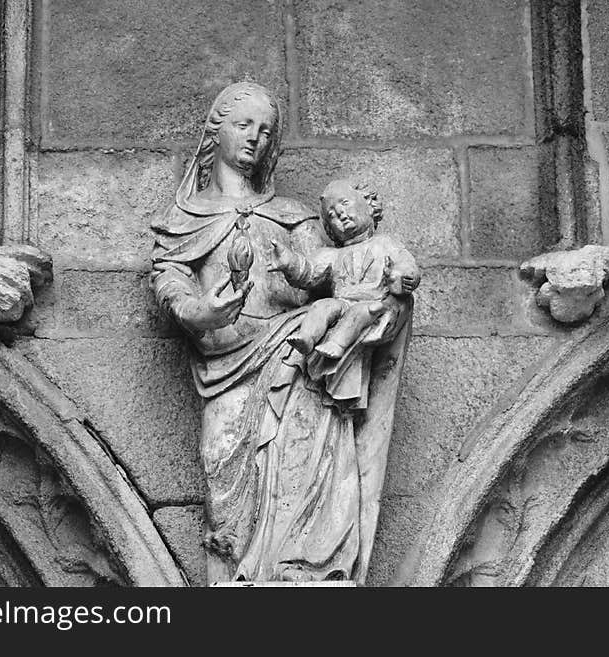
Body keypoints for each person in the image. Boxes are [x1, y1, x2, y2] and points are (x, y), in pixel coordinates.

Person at [150, 82, 413, 584]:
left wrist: (388, 295)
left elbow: (333, 280)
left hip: (299, 358)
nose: (255, 139)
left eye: (266, 131)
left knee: (305, 472)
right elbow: (169, 281)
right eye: (243, 125)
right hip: (226, 365)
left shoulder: (294, 217)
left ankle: (301, 577)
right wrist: (202, 310)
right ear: (216, 131)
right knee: (225, 476)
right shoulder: (186, 219)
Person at [269, 179, 421, 361]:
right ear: (330, 230)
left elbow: (405, 264)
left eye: (345, 203)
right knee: (321, 306)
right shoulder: (331, 255)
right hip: (342, 301)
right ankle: (306, 338)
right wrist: (289, 262)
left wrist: (405, 276)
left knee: (360, 313)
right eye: (331, 215)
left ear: (369, 204)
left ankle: (336, 344)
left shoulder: (385, 243)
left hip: (372, 301)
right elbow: (308, 273)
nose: (340, 213)